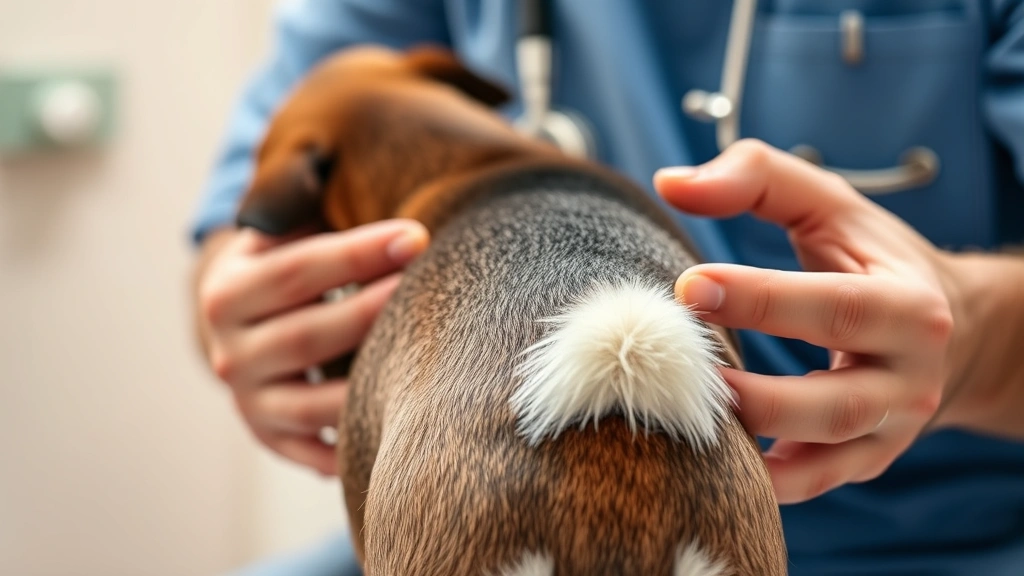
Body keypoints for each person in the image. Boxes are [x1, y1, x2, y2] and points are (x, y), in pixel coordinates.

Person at [190, 1, 1024, 575]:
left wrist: (979, 332)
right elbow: (242, 229)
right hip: (506, 490)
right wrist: (242, 307)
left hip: (943, 537)